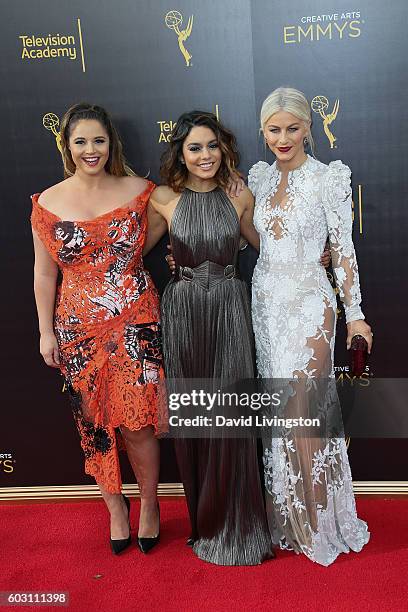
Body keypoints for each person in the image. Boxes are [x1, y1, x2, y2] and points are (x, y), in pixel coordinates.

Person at [31, 103, 163, 555]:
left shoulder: (142, 190)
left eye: (99, 140)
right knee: (95, 425)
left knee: (138, 424)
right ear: (67, 146)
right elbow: (45, 273)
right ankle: (115, 509)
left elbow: (189, 206)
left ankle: (149, 505)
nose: (91, 150)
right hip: (76, 331)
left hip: (135, 324)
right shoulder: (47, 203)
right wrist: (46, 332)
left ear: (112, 143)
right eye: (81, 141)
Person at [144, 110, 275, 565]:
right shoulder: (163, 198)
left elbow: (262, 245)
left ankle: (236, 525)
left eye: (212, 146)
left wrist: (308, 255)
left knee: (231, 417)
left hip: (228, 305)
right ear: (180, 152)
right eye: (195, 147)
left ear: (224, 149)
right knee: (197, 417)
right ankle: (203, 518)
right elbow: (133, 252)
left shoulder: (238, 195)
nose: (205, 156)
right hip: (183, 313)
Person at [249, 87, 372, 565]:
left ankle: (321, 519)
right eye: (274, 129)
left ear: (308, 128)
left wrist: (355, 312)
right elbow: (255, 237)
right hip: (266, 301)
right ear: (264, 132)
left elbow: (343, 248)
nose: (284, 138)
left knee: (305, 408)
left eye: (293, 128)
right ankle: (289, 518)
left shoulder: (328, 178)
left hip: (309, 304)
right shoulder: (256, 179)